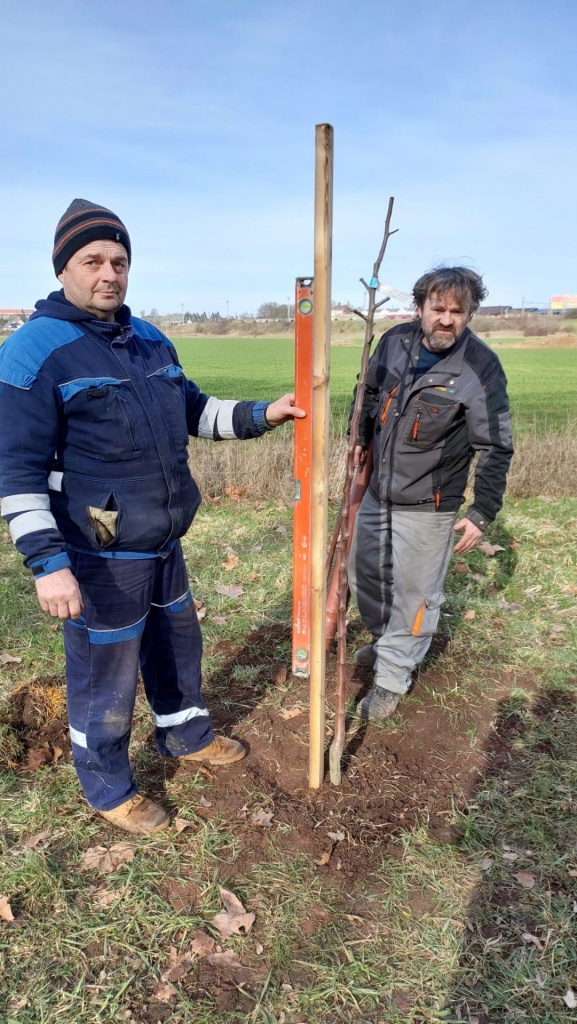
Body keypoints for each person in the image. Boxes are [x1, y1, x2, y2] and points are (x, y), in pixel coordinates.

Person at [0, 198, 305, 834]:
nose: (108, 273)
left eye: (119, 261)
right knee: (104, 676)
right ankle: (108, 787)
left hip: (163, 539)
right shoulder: (33, 351)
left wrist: (263, 414)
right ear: (63, 269)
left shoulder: (148, 340)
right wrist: (48, 565)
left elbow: (194, 410)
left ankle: (186, 736)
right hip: (98, 552)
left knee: (176, 646)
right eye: (92, 261)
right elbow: (14, 470)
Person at [348, 266, 513, 720]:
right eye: (438, 308)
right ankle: (386, 641)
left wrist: (481, 512)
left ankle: (392, 677)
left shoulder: (480, 368)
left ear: (469, 315)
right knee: (364, 576)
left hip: (430, 505)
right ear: (420, 307)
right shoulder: (394, 342)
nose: (446, 319)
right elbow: (366, 392)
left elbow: (496, 445)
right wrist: (358, 435)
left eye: (457, 312)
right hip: (378, 494)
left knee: (415, 596)